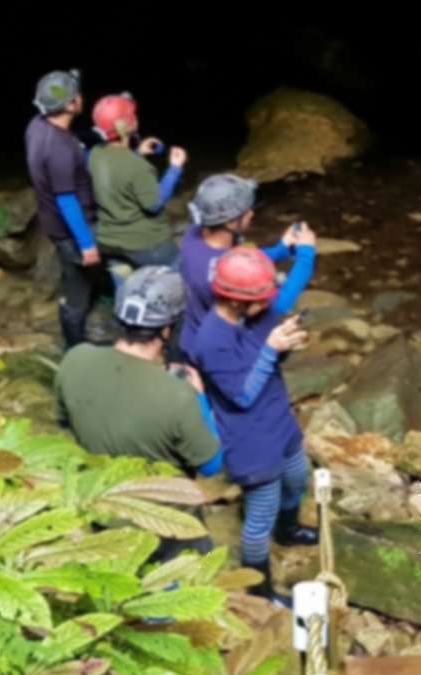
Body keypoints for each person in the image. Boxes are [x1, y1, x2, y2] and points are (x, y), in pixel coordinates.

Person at [54, 266, 224, 561]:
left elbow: (63, 420)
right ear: (167, 330)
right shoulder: (178, 395)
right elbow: (211, 464)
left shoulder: (75, 359)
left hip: (102, 510)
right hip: (165, 525)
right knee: (178, 583)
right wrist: (199, 398)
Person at [181, 247, 320, 602]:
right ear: (236, 301)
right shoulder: (210, 342)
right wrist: (272, 348)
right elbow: (242, 394)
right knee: (260, 517)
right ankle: (261, 590)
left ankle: (288, 531)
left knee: (296, 477)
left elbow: (266, 360)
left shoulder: (253, 316)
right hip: (250, 440)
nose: (268, 303)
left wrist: (284, 343)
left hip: (279, 421)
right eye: (261, 298)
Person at [177, 173, 314, 337]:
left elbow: (237, 259)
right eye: (246, 211)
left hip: (193, 323)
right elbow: (279, 305)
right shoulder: (218, 272)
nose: (251, 214)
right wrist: (306, 255)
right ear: (230, 222)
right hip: (223, 340)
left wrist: (280, 249)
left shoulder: (193, 234)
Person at [27, 69, 106, 347]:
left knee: (80, 276)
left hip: (51, 219)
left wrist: (93, 139)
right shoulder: (58, 149)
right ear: (71, 106)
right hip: (70, 229)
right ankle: (73, 347)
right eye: (77, 95)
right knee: (77, 290)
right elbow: (66, 200)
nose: (81, 96)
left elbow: (68, 144)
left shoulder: (37, 125)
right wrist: (86, 244)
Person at [86, 93, 189, 270]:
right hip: (143, 243)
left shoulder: (94, 154)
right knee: (179, 271)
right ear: (128, 124)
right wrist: (175, 169)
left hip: (107, 241)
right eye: (132, 115)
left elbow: (118, 171)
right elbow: (153, 204)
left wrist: (138, 153)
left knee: (124, 280)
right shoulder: (137, 166)